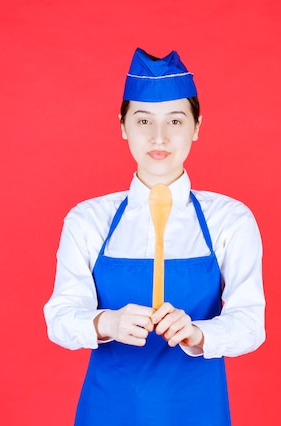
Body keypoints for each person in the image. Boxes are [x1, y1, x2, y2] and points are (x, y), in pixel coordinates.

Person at [43, 47, 266, 426]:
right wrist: (106, 324)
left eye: (176, 121)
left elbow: (250, 324)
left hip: (199, 410)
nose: (159, 137)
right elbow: (60, 318)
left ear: (196, 127)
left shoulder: (230, 220)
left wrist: (197, 331)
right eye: (144, 121)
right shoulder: (87, 220)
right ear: (122, 125)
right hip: (108, 410)